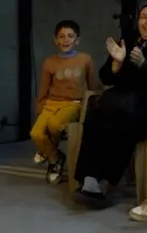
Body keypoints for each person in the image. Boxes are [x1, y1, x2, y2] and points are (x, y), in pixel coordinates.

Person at [73, 3, 147, 208]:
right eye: (143, 17)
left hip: (146, 103)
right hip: (117, 98)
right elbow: (105, 77)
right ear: (137, 21)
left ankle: (107, 182)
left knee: (124, 125)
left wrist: (145, 64)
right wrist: (116, 63)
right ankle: (89, 178)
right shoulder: (128, 41)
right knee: (94, 118)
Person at [31, 20, 99, 184]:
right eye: (61, 36)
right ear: (55, 40)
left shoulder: (85, 59)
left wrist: (95, 107)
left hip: (73, 104)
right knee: (36, 133)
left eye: (70, 36)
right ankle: (55, 157)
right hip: (51, 104)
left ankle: (48, 155)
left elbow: (94, 86)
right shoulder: (49, 62)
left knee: (55, 124)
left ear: (77, 40)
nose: (65, 40)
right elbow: (43, 89)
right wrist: (40, 109)